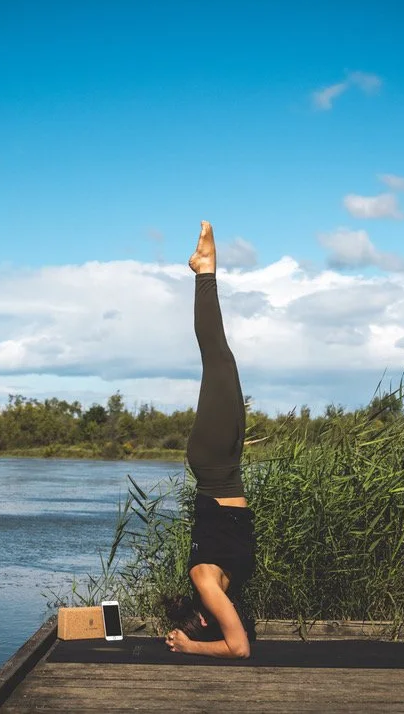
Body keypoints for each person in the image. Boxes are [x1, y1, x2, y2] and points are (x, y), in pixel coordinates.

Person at [162, 220, 256, 659]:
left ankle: (205, 271)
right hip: (225, 469)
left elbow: (238, 646)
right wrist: (189, 645)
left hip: (216, 468)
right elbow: (239, 649)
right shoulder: (210, 581)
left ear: (204, 619)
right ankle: (204, 271)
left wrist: (186, 644)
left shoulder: (206, 579)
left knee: (217, 357)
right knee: (221, 359)